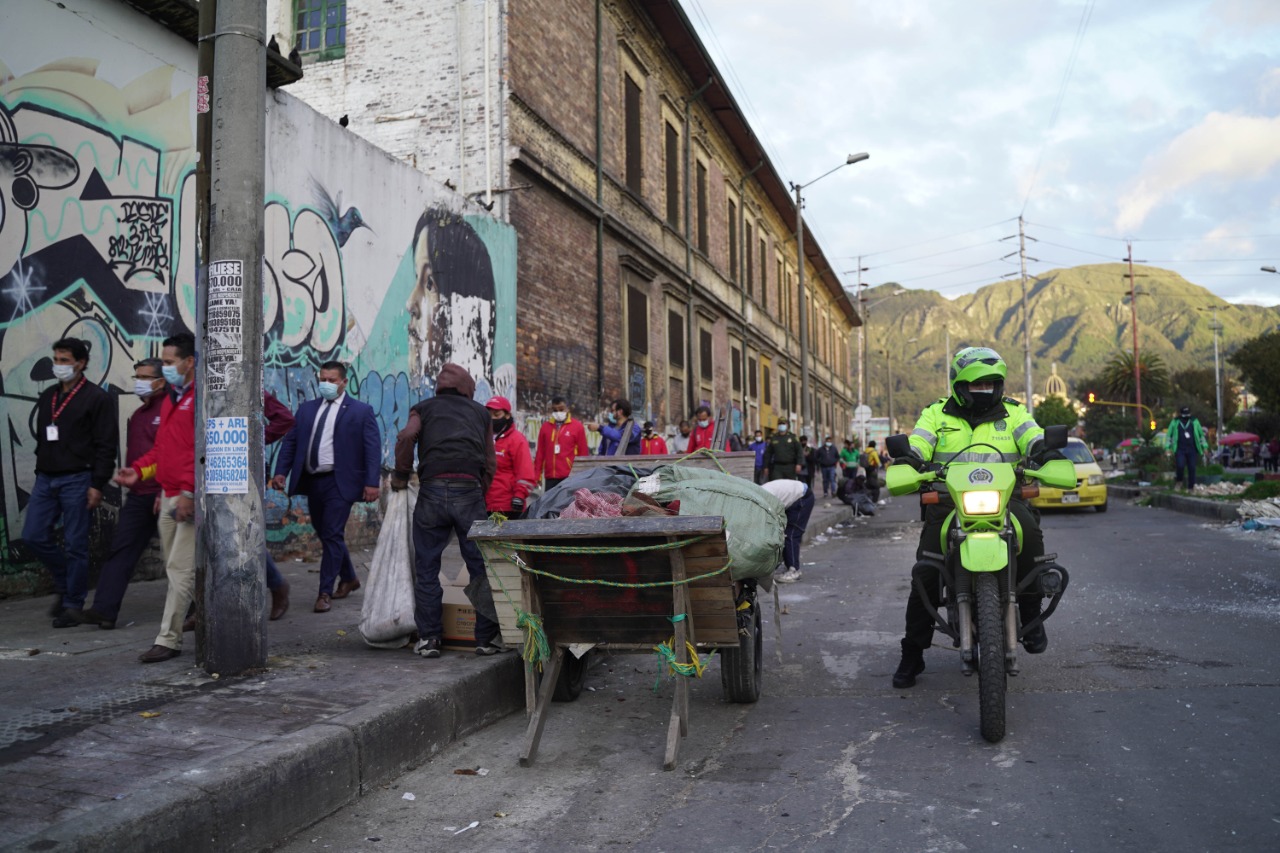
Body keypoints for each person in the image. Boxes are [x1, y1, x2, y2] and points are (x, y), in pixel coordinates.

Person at [892, 346, 1050, 690]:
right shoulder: (935, 414)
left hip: (1004, 500)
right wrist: (909, 459)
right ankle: (912, 652)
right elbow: (919, 443)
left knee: (1032, 538)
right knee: (926, 571)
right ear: (958, 385)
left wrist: (1043, 450)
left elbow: (1032, 436)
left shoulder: (1015, 413)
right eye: (976, 386)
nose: (984, 392)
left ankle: (1032, 614)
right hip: (948, 502)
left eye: (990, 385)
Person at [392, 363, 502, 658]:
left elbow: (406, 437)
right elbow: (490, 461)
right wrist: (480, 489)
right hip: (469, 492)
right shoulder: (480, 413)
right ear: (467, 387)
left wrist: (401, 475)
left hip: (431, 491)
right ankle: (485, 639)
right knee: (480, 567)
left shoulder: (423, 408)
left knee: (427, 566)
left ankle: (429, 639)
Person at [113, 333, 197, 663]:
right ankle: (200, 615)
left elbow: (199, 451)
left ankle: (169, 639)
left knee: (179, 568)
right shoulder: (173, 399)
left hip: (186, 498)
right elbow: (163, 450)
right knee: (178, 569)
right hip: (168, 495)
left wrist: (189, 492)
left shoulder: (200, 398)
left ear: (189, 362)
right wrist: (140, 471)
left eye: (168, 361)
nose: (164, 367)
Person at [273, 361, 382, 614]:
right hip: (313, 481)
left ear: (344, 382)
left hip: (340, 482)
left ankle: (324, 592)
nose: (326, 384)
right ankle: (350, 578)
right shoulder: (306, 410)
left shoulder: (360, 411)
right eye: (323, 379)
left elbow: (372, 449)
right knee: (326, 533)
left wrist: (371, 483)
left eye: (332, 380)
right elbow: (291, 442)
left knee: (332, 533)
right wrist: (281, 472)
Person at [25, 337, 119, 628]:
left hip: (79, 479)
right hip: (46, 477)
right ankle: (66, 582)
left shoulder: (96, 398)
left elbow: (106, 444)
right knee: (33, 535)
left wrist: (97, 484)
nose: (59, 366)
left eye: (65, 361)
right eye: (56, 360)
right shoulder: (49, 396)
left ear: (81, 363)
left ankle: (73, 604)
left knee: (76, 544)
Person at [80, 359, 166, 630]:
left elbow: (172, 455)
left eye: (145, 376)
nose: (138, 381)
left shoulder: (170, 410)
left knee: (182, 558)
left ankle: (196, 611)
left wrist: (165, 489)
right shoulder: (141, 414)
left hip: (165, 494)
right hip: (140, 495)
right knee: (121, 550)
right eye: (136, 375)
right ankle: (104, 610)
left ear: (161, 381)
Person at [485, 396, 536, 517]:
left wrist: (519, 496)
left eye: (496, 415)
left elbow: (525, 472)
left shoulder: (517, 440)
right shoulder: (483, 438)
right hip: (483, 503)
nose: (492, 419)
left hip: (508, 505)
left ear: (507, 415)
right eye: (489, 415)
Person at [761, 478, 814, 584]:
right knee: (783, 534)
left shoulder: (763, 499)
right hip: (796, 495)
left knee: (791, 534)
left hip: (802, 498)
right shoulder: (759, 494)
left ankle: (794, 570)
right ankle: (788, 566)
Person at [533, 396, 588, 491]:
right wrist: (537, 475)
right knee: (550, 504)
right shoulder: (545, 427)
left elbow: (583, 453)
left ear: (568, 408)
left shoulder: (577, 427)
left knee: (567, 505)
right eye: (555, 410)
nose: (558, 412)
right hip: (550, 476)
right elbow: (540, 453)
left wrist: (583, 476)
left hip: (569, 476)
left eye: (561, 409)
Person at [1165, 406, 1208, 491]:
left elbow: (1201, 435)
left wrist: (1205, 447)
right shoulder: (1175, 422)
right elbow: (1169, 435)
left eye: (1188, 414)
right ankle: (1179, 481)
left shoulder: (1194, 421)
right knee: (1180, 466)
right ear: (1181, 414)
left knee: (1192, 467)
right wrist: (1167, 448)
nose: (1186, 416)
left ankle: (1191, 487)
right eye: (1184, 414)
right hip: (1180, 449)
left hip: (1192, 449)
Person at [862, 439, 883, 504]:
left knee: (868, 480)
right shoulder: (873, 451)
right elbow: (877, 460)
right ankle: (874, 499)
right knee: (874, 483)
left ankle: (868, 495)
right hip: (872, 467)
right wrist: (880, 465)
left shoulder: (866, 450)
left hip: (866, 467)